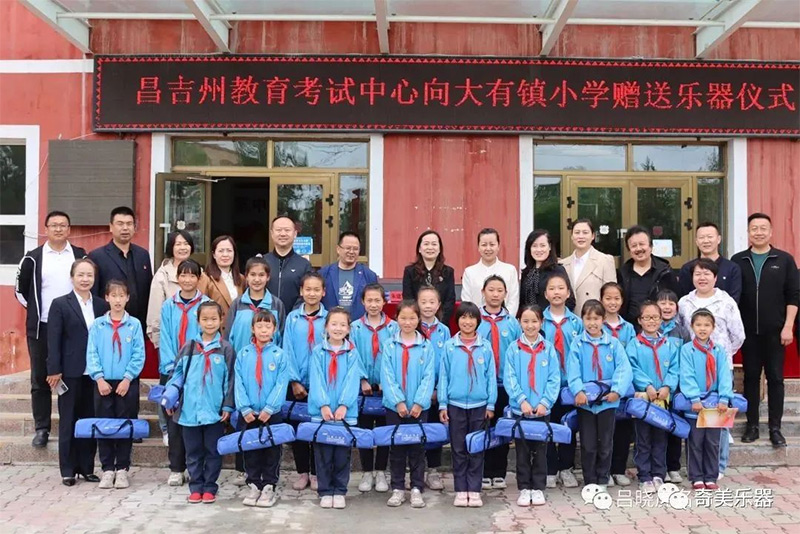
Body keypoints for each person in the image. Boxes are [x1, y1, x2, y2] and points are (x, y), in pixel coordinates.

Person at [15, 210, 87, 448]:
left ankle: (74, 423)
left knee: (75, 375)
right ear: (45, 229)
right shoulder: (32, 258)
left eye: (63, 225)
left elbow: (88, 284)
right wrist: (37, 311)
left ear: (69, 229)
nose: (58, 229)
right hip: (42, 327)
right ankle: (42, 428)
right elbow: (20, 291)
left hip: (74, 327)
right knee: (40, 378)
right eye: (53, 225)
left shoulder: (79, 255)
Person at [732, 213, 799, 447]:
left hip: (775, 332)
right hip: (748, 333)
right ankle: (752, 426)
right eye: (754, 228)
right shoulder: (738, 260)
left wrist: (788, 326)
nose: (758, 232)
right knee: (750, 378)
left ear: (771, 232)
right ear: (748, 232)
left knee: (776, 379)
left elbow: (794, 296)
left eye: (763, 228)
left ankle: (775, 428)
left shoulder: (784, 260)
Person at [677, 258, 745, 477]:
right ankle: (697, 470)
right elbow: (683, 332)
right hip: (693, 368)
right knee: (696, 421)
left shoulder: (726, 302)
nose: (702, 277)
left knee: (719, 419)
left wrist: (722, 354)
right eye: (698, 273)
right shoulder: (684, 303)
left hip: (720, 368)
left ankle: (718, 466)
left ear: (715, 278)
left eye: (707, 274)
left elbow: (738, 335)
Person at [165, 301, 235, 504]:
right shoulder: (189, 347)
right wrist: (171, 396)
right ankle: (196, 486)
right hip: (190, 411)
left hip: (214, 411)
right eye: (205, 319)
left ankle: (210, 486)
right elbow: (177, 373)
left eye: (213, 319)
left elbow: (230, 380)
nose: (209, 323)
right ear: (198, 321)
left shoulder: (226, 349)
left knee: (213, 451)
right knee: (193, 451)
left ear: (221, 320)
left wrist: (227, 405)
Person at [46, 258, 108, 485]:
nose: (85, 279)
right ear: (72, 277)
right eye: (80, 275)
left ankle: (87, 467)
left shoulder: (101, 305)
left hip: (94, 373)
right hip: (69, 372)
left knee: (90, 420)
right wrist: (54, 369)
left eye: (89, 275)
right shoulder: (60, 304)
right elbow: (53, 339)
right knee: (69, 420)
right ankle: (68, 470)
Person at [85, 280, 145, 490]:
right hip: (103, 382)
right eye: (113, 296)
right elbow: (92, 352)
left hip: (126, 383)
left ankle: (122, 469)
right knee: (104, 425)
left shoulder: (134, 325)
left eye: (121, 296)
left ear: (127, 298)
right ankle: (107, 468)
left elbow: (138, 354)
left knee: (124, 425)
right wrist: (99, 378)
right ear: (107, 298)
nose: (117, 300)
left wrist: (128, 378)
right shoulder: (98, 325)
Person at [566, 299, 632, 489]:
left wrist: (617, 391)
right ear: (582, 320)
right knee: (588, 444)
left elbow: (623, 368)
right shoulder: (578, 344)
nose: (592, 323)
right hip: (586, 403)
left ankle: (603, 478)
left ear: (603, 320)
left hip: (607, 402)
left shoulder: (613, 344)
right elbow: (573, 369)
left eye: (596, 318)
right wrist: (578, 391)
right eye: (588, 319)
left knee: (605, 443)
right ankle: (590, 480)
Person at [439, 302, 497, 508]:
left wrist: (491, 404)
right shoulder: (449, 346)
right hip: (455, 404)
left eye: (472, 318)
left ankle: (474, 489)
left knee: (476, 448)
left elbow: (491, 377)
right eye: (463, 317)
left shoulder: (485, 347)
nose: (467, 321)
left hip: (479, 405)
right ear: (457, 320)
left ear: (478, 321)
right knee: (458, 449)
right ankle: (461, 489)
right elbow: (443, 376)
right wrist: (443, 404)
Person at [503, 304, 560, 507]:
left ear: (541, 322)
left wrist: (545, 402)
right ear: (519, 322)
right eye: (525, 321)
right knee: (522, 451)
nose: (530, 325)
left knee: (541, 450)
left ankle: (538, 487)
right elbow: (510, 377)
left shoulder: (549, 349)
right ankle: (524, 487)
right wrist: (521, 400)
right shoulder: (513, 349)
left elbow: (554, 378)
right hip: (521, 410)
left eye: (534, 321)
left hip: (542, 410)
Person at [158, 259, 209, 486]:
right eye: (183, 275)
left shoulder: (206, 304)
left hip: (198, 367)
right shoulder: (169, 306)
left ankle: (195, 465)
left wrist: (197, 363)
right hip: (173, 369)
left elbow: (207, 334)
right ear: (177, 278)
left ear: (199, 278)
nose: (187, 280)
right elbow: (166, 336)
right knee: (175, 419)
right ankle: (176, 467)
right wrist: (173, 367)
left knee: (196, 419)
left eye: (192, 275)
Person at [381, 300, 436, 509]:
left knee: (417, 448)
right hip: (395, 407)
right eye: (403, 318)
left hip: (418, 408)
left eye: (412, 318)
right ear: (396, 318)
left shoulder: (426, 346)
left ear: (418, 319)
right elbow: (387, 375)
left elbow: (429, 376)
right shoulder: (389, 345)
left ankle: (416, 488)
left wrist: (420, 402)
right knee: (396, 448)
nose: (407, 322)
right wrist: (398, 401)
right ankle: (397, 487)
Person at [234, 309, 290, 508]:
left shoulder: (279, 355)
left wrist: (270, 408)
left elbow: (281, 383)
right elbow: (238, 382)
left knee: (271, 450)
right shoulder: (243, 354)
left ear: (274, 329)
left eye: (268, 326)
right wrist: (244, 408)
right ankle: (253, 484)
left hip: (271, 413)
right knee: (251, 449)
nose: (264, 330)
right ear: (252, 328)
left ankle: (268, 485)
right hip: (249, 413)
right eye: (259, 326)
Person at [308, 307, 361, 509]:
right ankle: (325, 490)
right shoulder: (317, 351)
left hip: (344, 413)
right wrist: (323, 404)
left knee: (341, 453)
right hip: (322, 412)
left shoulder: (352, 353)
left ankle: (339, 490)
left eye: (342, 325)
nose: (338, 328)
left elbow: (352, 380)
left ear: (348, 329)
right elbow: (316, 379)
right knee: (322, 453)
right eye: (334, 324)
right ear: (326, 326)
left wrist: (344, 405)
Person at [627, 301, 680, 493]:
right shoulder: (634, 345)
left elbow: (675, 368)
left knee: (660, 438)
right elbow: (632, 368)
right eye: (647, 317)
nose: (651, 321)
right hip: (643, 400)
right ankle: (645, 476)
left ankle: (658, 473)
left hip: (663, 400)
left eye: (655, 317)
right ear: (640, 320)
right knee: (643, 439)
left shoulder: (669, 344)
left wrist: (667, 386)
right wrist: (647, 385)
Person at [283, 272, 328, 491]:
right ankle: (302, 471)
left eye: (316, 289)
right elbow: (287, 349)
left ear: (323, 292)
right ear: (301, 291)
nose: (312, 293)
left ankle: (317, 472)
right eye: (308, 289)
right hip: (297, 384)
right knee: (299, 430)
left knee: (318, 429)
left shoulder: (329, 319)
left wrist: (322, 384)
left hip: (321, 385)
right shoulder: (292, 318)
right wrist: (294, 381)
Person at [679, 309, 734, 490]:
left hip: (715, 404)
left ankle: (711, 476)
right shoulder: (687, 350)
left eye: (707, 325)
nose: (702, 329)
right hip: (696, 404)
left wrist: (724, 398)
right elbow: (686, 375)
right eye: (698, 325)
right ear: (692, 326)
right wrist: (694, 397)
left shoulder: (718, 350)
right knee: (695, 441)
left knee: (712, 442)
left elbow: (724, 376)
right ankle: (696, 477)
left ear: (713, 327)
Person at [351, 283, 397, 493]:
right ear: (362, 302)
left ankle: (380, 471)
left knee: (384, 431)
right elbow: (352, 355)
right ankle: (367, 471)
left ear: (384, 302)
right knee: (365, 430)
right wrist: (362, 380)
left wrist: (386, 382)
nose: (373, 304)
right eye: (369, 300)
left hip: (387, 388)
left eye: (377, 300)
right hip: (363, 388)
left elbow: (394, 357)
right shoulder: (355, 328)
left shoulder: (393, 327)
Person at [477, 275, 522, 490]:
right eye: (491, 290)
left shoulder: (512, 323)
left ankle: (499, 472)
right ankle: (484, 471)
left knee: (503, 428)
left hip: (505, 385)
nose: (495, 295)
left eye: (499, 291)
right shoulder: (475, 319)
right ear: (483, 292)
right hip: (483, 385)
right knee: (483, 427)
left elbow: (519, 353)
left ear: (505, 294)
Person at [540, 273, 582, 489]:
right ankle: (550, 468)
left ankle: (566, 467)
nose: (556, 292)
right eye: (552, 288)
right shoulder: (538, 321)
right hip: (546, 385)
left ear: (568, 293)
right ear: (545, 294)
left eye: (560, 288)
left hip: (569, 385)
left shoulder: (577, 323)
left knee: (568, 426)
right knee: (546, 426)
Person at [88, 206, 153, 336]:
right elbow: (93, 295)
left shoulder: (143, 255)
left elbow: (148, 290)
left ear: (134, 227)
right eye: (120, 224)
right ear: (111, 227)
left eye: (129, 224)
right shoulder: (97, 256)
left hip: (138, 326)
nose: (125, 228)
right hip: (109, 326)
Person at [601, 282, 636, 487]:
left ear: (622, 301)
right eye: (608, 298)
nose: (612, 302)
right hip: (603, 387)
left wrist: (622, 384)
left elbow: (630, 358)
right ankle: (604, 471)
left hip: (624, 387)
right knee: (605, 432)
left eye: (616, 298)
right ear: (601, 300)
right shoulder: (597, 325)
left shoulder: (628, 328)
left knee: (622, 430)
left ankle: (618, 469)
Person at [417, 286, 451, 491]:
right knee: (417, 431)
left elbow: (446, 364)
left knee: (435, 430)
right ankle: (417, 470)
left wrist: (439, 389)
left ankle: (433, 470)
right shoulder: (411, 327)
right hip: (416, 392)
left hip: (437, 391)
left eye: (432, 302)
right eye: (423, 302)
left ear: (438, 305)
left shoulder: (444, 331)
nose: (428, 306)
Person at [657, 288, 691, 485]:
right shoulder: (650, 329)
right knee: (657, 429)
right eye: (662, 303)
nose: (667, 307)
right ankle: (659, 468)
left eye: (671, 303)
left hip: (676, 390)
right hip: (656, 391)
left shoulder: (682, 332)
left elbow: (686, 361)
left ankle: (674, 467)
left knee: (674, 429)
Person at [617, 225, 677, 327]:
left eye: (642, 244)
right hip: (629, 328)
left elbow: (674, 300)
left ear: (651, 246)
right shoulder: (623, 273)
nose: (638, 249)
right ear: (629, 250)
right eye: (634, 246)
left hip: (659, 328)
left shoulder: (665, 272)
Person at [146, 230, 194, 352]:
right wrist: (158, 343)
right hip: (169, 342)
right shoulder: (162, 276)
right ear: (171, 247)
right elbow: (155, 315)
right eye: (178, 244)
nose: (182, 248)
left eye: (186, 243)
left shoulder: (200, 273)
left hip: (195, 342)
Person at [225, 256, 286, 350]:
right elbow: (228, 336)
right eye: (253, 274)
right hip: (241, 357)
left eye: (261, 275)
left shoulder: (276, 305)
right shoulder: (237, 304)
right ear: (246, 277)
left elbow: (281, 337)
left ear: (268, 277)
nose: (257, 279)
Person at [560, 219, 617, 313]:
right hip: (570, 318)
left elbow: (611, 295)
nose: (581, 236)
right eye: (577, 232)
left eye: (585, 232)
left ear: (593, 236)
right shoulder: (563, 264)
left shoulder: (605, 261)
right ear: (572, 236)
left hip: (595, 317)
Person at [460, 228, 520, 317]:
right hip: (477, 321)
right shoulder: (469, 272)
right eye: (484, 245)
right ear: (478, 247)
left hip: (505, 321)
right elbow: (467, 301)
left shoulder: (510, 270)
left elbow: (513, 301)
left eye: (492, 244)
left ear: (498, 246)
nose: (488, 248)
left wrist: (505, 320)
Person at [677, 222, 742, 302]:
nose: (706, 241)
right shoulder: (687, 268)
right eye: (701, 237)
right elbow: (683, 299)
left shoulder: (732, 268)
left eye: (710, 237)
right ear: (696, 241)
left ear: (719, 239)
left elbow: (734, 299)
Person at [402, 230, 456, 325]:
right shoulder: (410, 271)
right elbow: (408, 299)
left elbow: (449, 301)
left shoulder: (448, 272)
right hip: (416, 323)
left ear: (439, 249)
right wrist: (418, 321)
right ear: (419, 248)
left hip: (441, 323)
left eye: (434, 244)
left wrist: (438, 323)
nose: (430, 247)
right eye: (426, 244)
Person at [320, 232, 378, 320]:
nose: (351, 252)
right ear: (338, 249)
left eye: (355, 249)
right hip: (332, 325)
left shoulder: (369, 275)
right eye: (348, 248)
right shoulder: (324, 273)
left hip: (359, 325)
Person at [519, 229, 576, 312]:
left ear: (549, 247)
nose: (539, 250)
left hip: (550, 318)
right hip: (529, 319)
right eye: (534, 246)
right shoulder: (526, 273)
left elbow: (570, 301)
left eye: (542, 245)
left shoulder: (557, 271)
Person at [199, 235, 246, 333]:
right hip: (216, 332)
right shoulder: (206, 278)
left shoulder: (241, 278)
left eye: (229, 251)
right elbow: (200, 308)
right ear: (214, 255)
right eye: (221, 251)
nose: (225, 255)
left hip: (238, 330)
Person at [265, 215, 312, 312]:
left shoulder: (304, 265)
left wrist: (293, 316)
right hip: (265, 318)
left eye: (287, 230)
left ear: (295, 234)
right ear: (272, 233)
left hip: (294, 318)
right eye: (278, 230)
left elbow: (307, 294)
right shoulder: (263, 262)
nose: (283, 234)